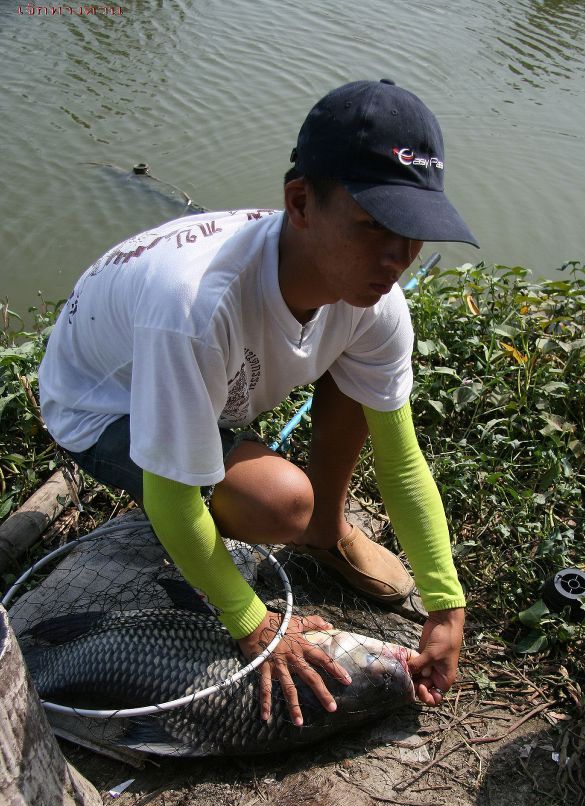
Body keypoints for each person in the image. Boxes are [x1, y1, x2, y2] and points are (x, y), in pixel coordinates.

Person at [38, 79, 478, 727]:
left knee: (353, 378)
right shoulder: (195, 306)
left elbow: (401, 459)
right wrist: (256, 625)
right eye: (373, 227)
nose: (397, 259)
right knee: (276, 502)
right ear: (300, 202)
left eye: (413, 233)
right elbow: (172, 500)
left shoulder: (376, 298)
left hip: (192, 374)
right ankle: (293, 511)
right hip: (104, 404)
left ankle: (329, 532)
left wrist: (447, 605)